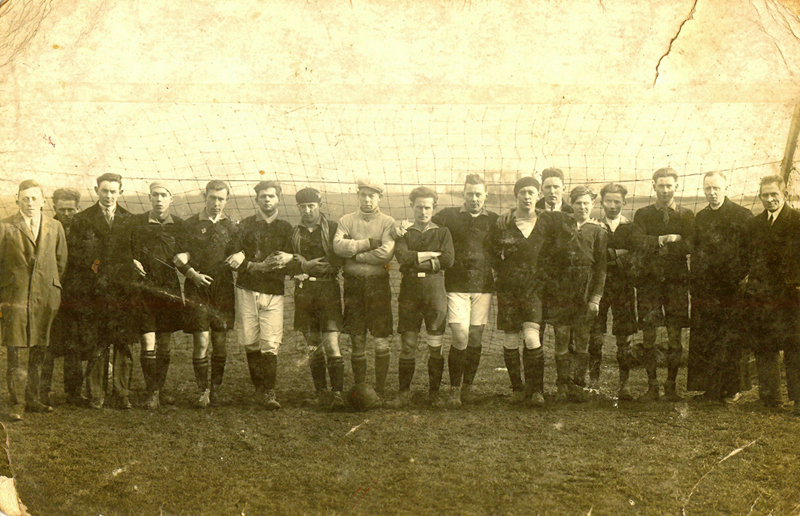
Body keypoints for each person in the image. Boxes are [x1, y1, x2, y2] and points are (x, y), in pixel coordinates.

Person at [63, 173, 137, 410]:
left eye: (113, 191)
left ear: (120, 193)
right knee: (97, 342)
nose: (108, 196)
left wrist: (132, 263)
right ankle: (96, 394)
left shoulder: (129, 219)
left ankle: (122, 392)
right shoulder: (82, 219)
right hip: (94, 289)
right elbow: (75, 254)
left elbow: (136, 251)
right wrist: (96, 267)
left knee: (123, 343)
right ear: (96, 190)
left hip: (123, 290)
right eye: (104, 190)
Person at [0, 180, 67, 421]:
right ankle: (16, 403)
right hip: (15, 296)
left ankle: (33, 399)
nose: (30, 203)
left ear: (43, 201)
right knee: (16, 348)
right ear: (18, 200)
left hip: (45, 297)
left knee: (40, 345)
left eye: (34, 198)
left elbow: (61, 262)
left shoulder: (55, 226)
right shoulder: (5, 226)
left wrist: (50, 286)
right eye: (25, 198)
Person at [429, 174, 498, 406]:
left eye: (479, 194)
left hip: (483, 286)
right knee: (460, 336)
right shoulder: (448, 216)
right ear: (463, 194)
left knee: (476, 337)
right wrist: (402, 227)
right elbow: (425, 222)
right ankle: (454, 389)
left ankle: (468, 387)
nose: (474, 198)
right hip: (455, 285)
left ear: (486, 195)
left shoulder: (495, 220)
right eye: (470, 193)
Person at [227, 180, 294, 410]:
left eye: (271, 196)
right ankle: (258, 389)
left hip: (274, 292)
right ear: (256, 200)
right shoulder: (245, 225)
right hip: (246, 289)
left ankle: (269, 391)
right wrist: (255, 265)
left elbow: (292, 258)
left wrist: (288, 259)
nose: (267, 200)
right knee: (251, 341)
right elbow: (233, 257)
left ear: (278, 199)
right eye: (263, 196)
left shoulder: (286, 228)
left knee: (270, 342)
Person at [688, 172, 753, 403]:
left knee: (730, 338)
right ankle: (711, 389)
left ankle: (733, 389)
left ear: (726, 187)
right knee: (708, 338)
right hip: (706, 289)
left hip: (731, 289)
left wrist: (737, 277)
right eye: (708, 189)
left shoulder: (742, 215)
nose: (712, 193)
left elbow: (749, 252)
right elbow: (696, 253)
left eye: (716, 188)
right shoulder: (701, 217)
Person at [173, 180, 238, 408]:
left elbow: (240, 251)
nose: (217, 203)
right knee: (202, 340)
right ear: (204, 196)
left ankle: (216, 388)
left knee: (220, 341)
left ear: (227, 200)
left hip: (223, 289)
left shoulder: (231, 226)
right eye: (213, 197)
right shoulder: (190, 224)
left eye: (221, 199)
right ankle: (203, 390)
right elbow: (178, 257)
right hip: (197, 288)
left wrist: (240, 254)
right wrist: (193, 274)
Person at [631, 167, 694, 402]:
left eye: (669, 186)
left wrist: (673, 243)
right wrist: (664, 239)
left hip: (676, 282)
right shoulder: (643, 214)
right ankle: (651, 385)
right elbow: (637, 241)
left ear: (676, 186)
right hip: (649, 282)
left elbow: (690, 244)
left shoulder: (686, 215)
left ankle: (671, 385)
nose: (665, 190)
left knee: (675, 334)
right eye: (661, 185)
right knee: (649, 334)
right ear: (654, 186)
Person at [389, 187, 454, 408]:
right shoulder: (403, 232)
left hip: (435, 290)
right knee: (408, 344)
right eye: (419, 207)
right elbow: (402, 257)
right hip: (409, 290)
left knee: (435, 344)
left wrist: (417, 260)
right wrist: (427, 256)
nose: (423, 211)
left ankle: (434, 393)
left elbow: (448, 259)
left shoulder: (442, 232)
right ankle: (404, 392)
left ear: (434, 208)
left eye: (427, 207)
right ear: (412, 207)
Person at [541, 185, 607, 403]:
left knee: (581, 340)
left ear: (593, 205)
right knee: (561, 337)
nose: (582, 207)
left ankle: (578, 385)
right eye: (578, 203)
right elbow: (548, 259)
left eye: (587, 203)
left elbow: (601, 268)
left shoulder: (598, 231)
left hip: (584, 291)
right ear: (572, 204)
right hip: (561, 291)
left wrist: (595, 298)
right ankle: (562, 385)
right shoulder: (560, 226)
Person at [333, 179, 396, 406]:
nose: (367, 200)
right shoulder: (346, 220)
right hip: (353, 286)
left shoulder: (388, 222)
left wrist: (356, 254)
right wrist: (368, 242)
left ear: (379, 197)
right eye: (363, 195)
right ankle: (359, 388)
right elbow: (338, 246)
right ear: (358, 197)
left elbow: (386, 253)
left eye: (372, 196)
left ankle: (379, 390)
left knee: (380, 340)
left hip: (378, 285)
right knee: (357, 338)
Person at [741, 175, 800, 416]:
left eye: (774, 194)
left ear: (784, 194)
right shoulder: (755, 224)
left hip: (791, 295)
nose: (769, 199)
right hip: (762, 295)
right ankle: (770, 397)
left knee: (795, 346)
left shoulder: (797, 221)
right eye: (764, 195)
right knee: (764, 345)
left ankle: (798, 400)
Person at [488, 177, 550, 406]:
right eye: (523, 192)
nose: (527, 196)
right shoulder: (504, 223)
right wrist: (501, 272)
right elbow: (490, 249)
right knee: (511, 338)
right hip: (509, 288)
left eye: (531, 192)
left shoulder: (546, 221)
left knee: (532, 337)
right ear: (516, 196)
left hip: (534, 288)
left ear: (538, 195)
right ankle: (516, 389)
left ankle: (536, 391)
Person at [290, 187, 347, 411]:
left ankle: (338, 394)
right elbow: (288, 262)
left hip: (328, 290)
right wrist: (302, 265)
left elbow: (338, 257)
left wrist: (310, 263)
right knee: (313, 345)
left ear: (319, 205)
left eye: (311, 206)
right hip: (304, 291)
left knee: (332, 343)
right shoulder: (295, 232)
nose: (307, 210)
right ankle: (320, 393)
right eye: (302, 207)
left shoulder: (333, 228)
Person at [130, 181, 185, 409]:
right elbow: (126, 248)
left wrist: (187, 255)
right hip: (144, 288)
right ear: (150, 198)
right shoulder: (137, 223)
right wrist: (130, 260)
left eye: (164, 195)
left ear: (171, 198)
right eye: (155, 195)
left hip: (169, 289)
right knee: (147, 340)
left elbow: (189, 249)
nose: (159, 199)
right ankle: (151, 391)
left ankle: (160, 388)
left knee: (164, 342)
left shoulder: (180, 225)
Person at [587, 183, 637, 400]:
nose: (613, 205)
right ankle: (593, 383)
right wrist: (619, 254)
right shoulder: (594, 226)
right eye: (609, 201)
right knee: (595, 337)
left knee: (623, 338)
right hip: (598, 287)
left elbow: (636, 253)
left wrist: (611, 254)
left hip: (624, 287)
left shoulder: (631, 227)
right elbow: (592, 256)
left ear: (624, 203)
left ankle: (624, 386)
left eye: (617, 201)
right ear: (601, 202)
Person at [40, 187, 84, 406]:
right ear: (54, 207)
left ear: (78, 208)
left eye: (71, 209)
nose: (67, 213)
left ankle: (74, 392)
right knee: (47, 343)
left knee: (74, 345)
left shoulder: (85, 230)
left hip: (76, 295)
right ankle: (42, 392)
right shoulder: (45, 227)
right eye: (62, 209)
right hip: (50, 293)